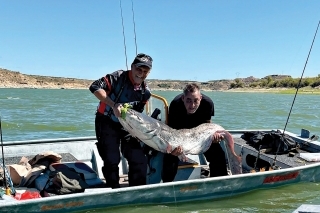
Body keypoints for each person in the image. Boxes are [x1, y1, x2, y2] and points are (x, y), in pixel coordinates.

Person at [89, 53, 153, 188]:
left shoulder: (145, 92)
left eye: (145, 71)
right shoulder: (117, 77)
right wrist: (113, 105)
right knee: (112, 159)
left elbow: (138, 113)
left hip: (127, 126)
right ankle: (114, 190)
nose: (141, 74)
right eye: (139, 69)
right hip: (106, 121)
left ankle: (137, 191)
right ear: (132, 67)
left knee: (139, 158)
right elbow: (94, 87)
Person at [161, 83, 228, 182]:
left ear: (200, 98)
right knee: (170, 157)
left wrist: (214, 138)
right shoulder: (175, 104)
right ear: (183, 98)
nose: (192, 105)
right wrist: (176, 149)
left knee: (219, 156)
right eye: (188, 100)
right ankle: (167, 187)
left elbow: (208, 125)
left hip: (201, 135)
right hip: (180, 135)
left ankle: (217, 185)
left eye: (196, 100)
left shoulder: (208, 103)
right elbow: (172, 131)